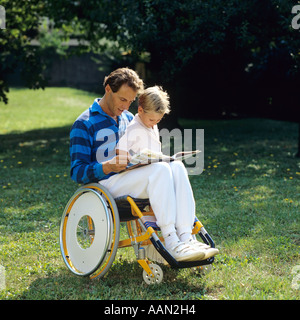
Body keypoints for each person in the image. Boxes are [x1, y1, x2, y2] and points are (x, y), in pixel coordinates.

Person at [70, 67, 218, 262]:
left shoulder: (130, 119)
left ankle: (186, 236)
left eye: (130, 101)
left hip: (133, 178)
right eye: (122, 99)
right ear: (108, 89)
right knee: (160, 170)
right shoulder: (84, 123)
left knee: (177, 166)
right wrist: (107, 166)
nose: (126, 106)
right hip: (105, 186)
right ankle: (171, 241)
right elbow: (77, 172)